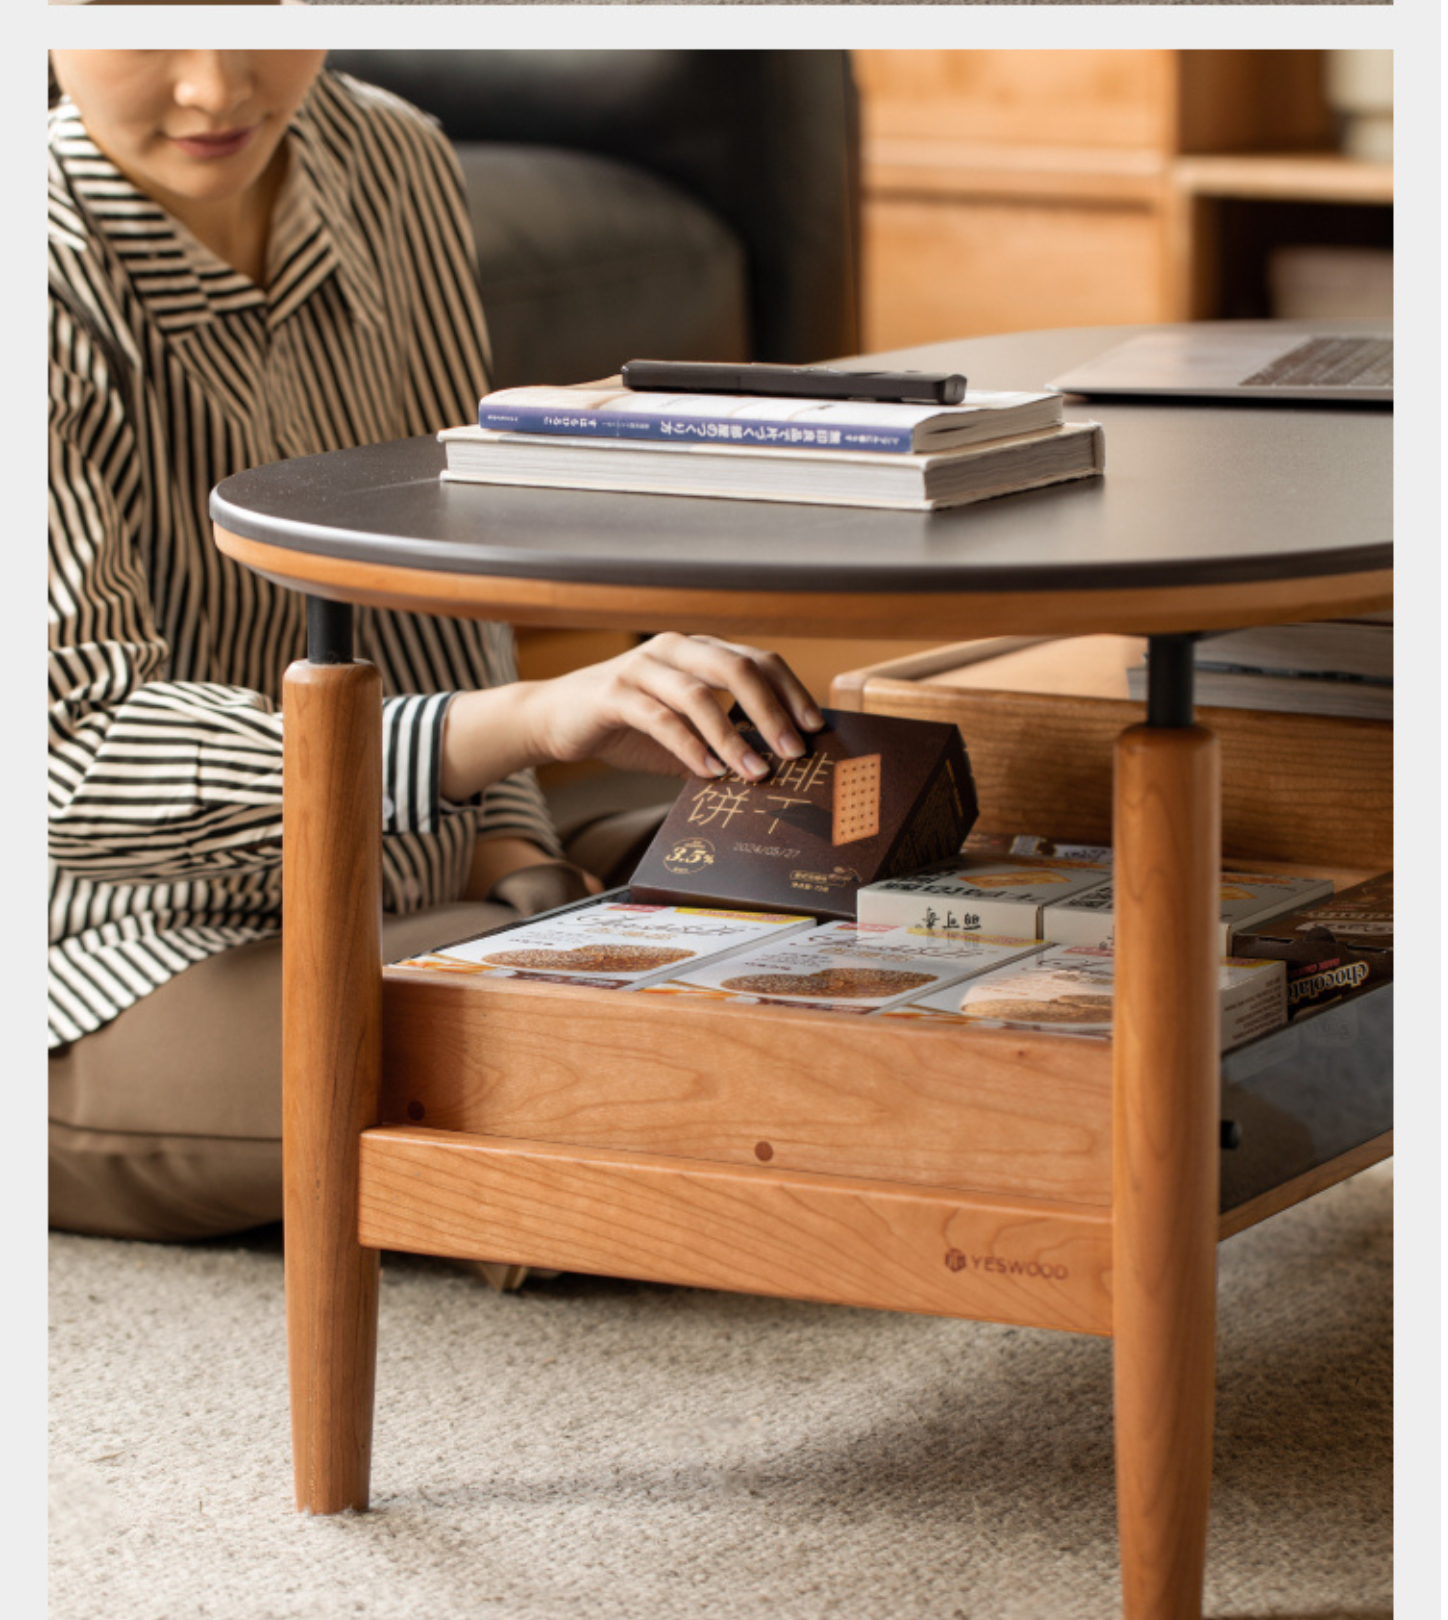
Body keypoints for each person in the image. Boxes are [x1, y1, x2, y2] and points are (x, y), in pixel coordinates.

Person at [48, 51, 822, 1244]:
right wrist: (527, 725)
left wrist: (510, 841)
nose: (214, 89)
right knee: (652, 1068)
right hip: (112, 946)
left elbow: (436, 566)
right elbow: (70, 759)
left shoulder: (388, 156)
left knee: (831, 902)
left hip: (396, 879)